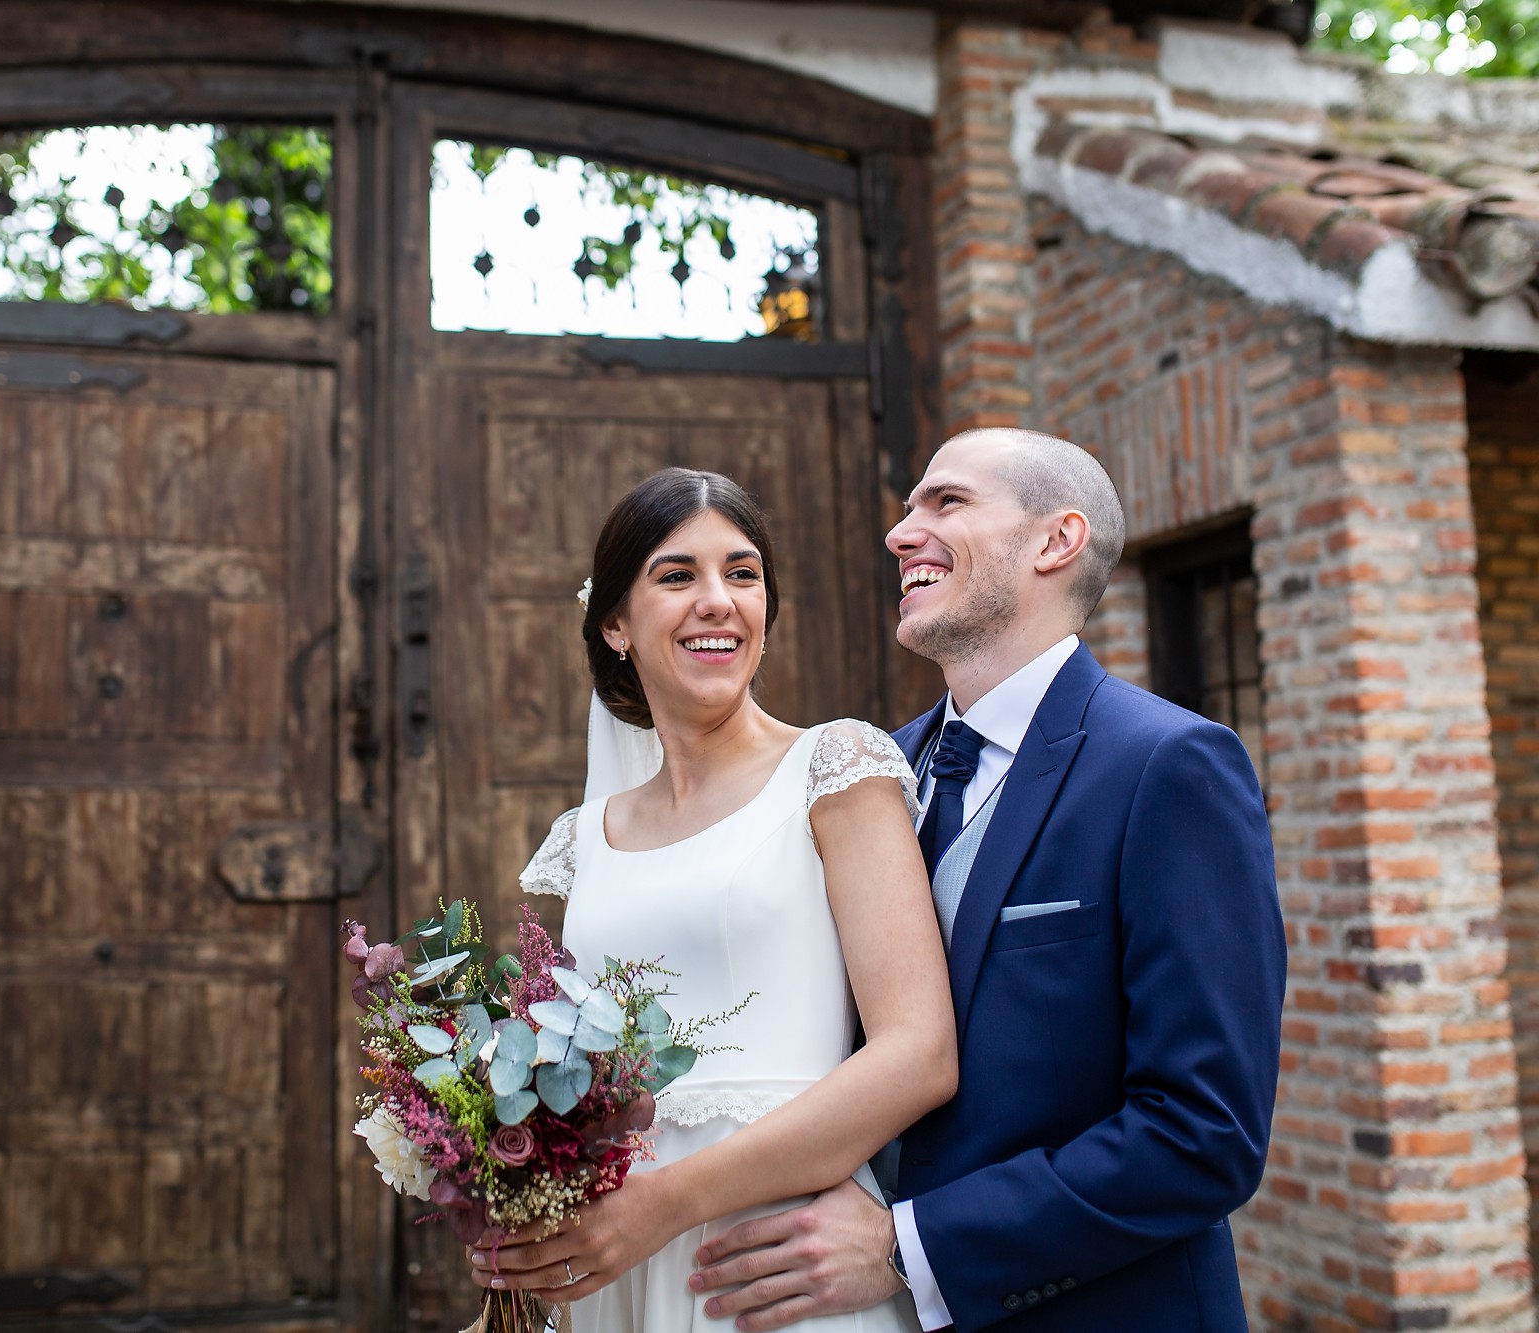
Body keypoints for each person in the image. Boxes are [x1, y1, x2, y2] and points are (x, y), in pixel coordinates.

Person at [689, 428, 1286, 1331]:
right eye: (906, 508)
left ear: (1056, 540)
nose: (900, 533)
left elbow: (1203, 1136)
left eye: (946, 502)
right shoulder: (876, 772)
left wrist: (908, 1248)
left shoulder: (1170, 766)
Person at [471, 466, 958, 1333]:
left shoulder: (836, 768)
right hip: (621, 1254)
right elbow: (574, 1073)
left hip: (774, 1253)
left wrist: (667, 1202)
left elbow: (919, 1052)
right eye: (676, 575)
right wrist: (516, 1189)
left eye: (741, 574)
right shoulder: (588, 836)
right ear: (614, 623)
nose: (717, 601)